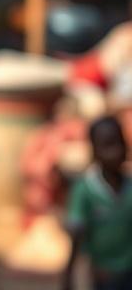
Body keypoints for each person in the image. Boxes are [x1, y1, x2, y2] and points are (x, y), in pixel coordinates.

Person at [64, 116, 132, 290]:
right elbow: (77, 235)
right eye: (108, 145)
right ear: (94, 151)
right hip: (103, 275)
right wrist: (68, 277)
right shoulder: (85, 190)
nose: (116, 151)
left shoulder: (129, 187)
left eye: (119, 143)